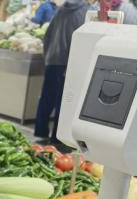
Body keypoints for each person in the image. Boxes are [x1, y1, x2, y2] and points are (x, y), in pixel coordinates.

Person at [34, 0, 90, 143]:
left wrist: (47, 56)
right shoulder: (85, 13)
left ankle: (41, 131)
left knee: (46, 98)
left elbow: (48, 34)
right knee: (64, 102)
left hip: (53, 59)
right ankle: (57, 138)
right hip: (68, 63)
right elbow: (81, 42)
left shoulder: (60, 10)